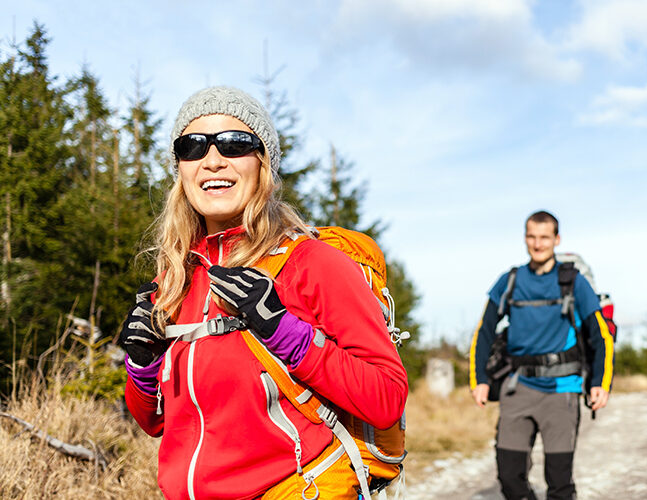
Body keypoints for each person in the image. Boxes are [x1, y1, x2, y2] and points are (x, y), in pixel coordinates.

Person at [118, 86, 408, 500]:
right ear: (180, 168)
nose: (213, 160)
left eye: (235, 144)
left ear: (264, 163)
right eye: (193, 146)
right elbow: (154, 423)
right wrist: (143, 369)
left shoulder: (312, 263)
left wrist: (288, 335)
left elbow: (387, 398)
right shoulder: (174, 280)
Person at [469, 210, 614, 500]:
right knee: (509, 477)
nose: (537, 244)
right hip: (517, 388)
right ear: (525, 238)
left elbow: (600, 335)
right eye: (532, 237)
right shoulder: (510, 280)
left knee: (559, 482)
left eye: (544, 237)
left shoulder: (573, 281)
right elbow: (483, 331)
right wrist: (479, 379)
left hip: (562, 391)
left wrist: (601, 381)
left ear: (556, 240)